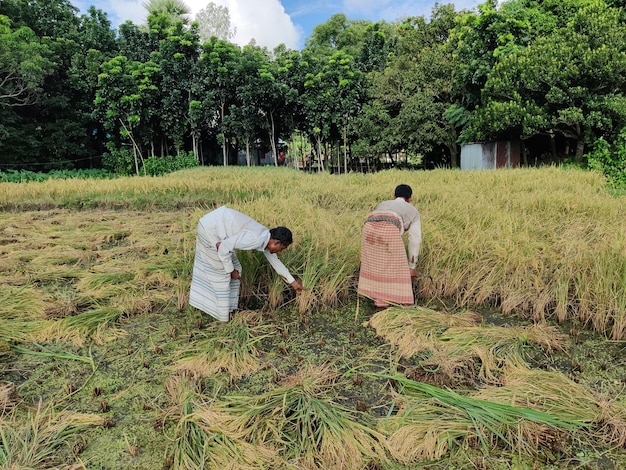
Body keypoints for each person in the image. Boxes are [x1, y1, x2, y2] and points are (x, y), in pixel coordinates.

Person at [189, 206, 304, 321]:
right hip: (210, 229)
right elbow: (223, 247)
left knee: (235, 267)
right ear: (276, 242)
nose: (280, 251)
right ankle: (222, 317)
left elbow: (276, 262)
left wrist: (292, 282)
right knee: (221, 274)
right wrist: (231, 270)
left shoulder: (265, 237)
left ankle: (228, 309)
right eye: (282, 248)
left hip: (216, 226)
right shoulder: (256, 239)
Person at [358, 184, 422, 308]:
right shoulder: (413, 210)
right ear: (410, 199)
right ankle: (398, 300)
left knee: (377, 264)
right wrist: (412, 266)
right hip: (389, 230)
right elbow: (415, 239)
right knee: (397, 267)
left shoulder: (382, 203)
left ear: (394, 196)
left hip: (368, 228)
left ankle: (378, 298)